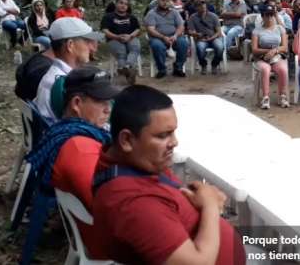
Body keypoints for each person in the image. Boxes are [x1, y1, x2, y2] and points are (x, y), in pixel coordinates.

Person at [90, 85, 246, 264]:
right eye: (163, 135)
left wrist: (200, 197)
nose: (174, 142)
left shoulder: (140, 161)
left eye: (173, 132)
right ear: (126, 140)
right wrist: (210, 205)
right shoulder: (133, 204)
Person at [25, 66, 119, 250]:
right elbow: (111, 209)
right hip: (107, 241)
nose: (109, 109)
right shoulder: (80, 149)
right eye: (102, 102)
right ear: (76, 103)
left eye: (109, 101)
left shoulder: (67, 131)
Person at [34, 18, 103, 121]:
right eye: (87, 41)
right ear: (70, 45)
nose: (92, 48)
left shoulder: (55, 76)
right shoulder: (64, 85)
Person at [252, 5, 289, 109]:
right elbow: (254, 49)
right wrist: (268, 51)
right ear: (262, 16)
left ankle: (282, 96)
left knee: (283, 69)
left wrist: (274, 51)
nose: (269, 18)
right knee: (266, 69)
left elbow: (285, 47)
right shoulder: (257, 30)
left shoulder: (280, 28)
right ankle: (265, 97)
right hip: (261, 57)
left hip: (277, 56)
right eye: (267, 15)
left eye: (271, 15)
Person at [145, 0, 189, 78]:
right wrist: (163, 37)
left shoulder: (174, 12)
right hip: (158, 38)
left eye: (167, 1)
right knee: (157, 46)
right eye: (163, 0)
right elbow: (150, 29)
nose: (165, 3)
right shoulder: (151, 13)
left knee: (183, 43)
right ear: (157, 1)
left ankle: (178, 68)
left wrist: (175, 35)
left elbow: (181, 26)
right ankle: (162, 70)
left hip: (174, 37)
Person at [101, 0, 141, 84]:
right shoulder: (108, 16)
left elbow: (137, 29)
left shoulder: (132, 17)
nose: (123, 6)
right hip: (114, 39)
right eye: (121, 3)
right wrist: (116, 37)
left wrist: (130, 36)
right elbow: (105, 30)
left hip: (130, 37)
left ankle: (127, 67)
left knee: (135, 48)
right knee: (121, 52)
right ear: (116, 3)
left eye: (126, 4)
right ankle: (129, 73)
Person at [187, 1, 224, 75]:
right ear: (196, 8)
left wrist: (211, 38)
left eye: (204, 6)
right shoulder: (193, 17)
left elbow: (218, 32)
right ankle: (203, 65)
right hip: (201, 39)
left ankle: (214, 64)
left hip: (214, 37)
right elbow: (190, 31)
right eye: (200, 6)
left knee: (220, 47)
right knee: (200, 48)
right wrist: (197, 34)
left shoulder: (213, 16)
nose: (203, 8)